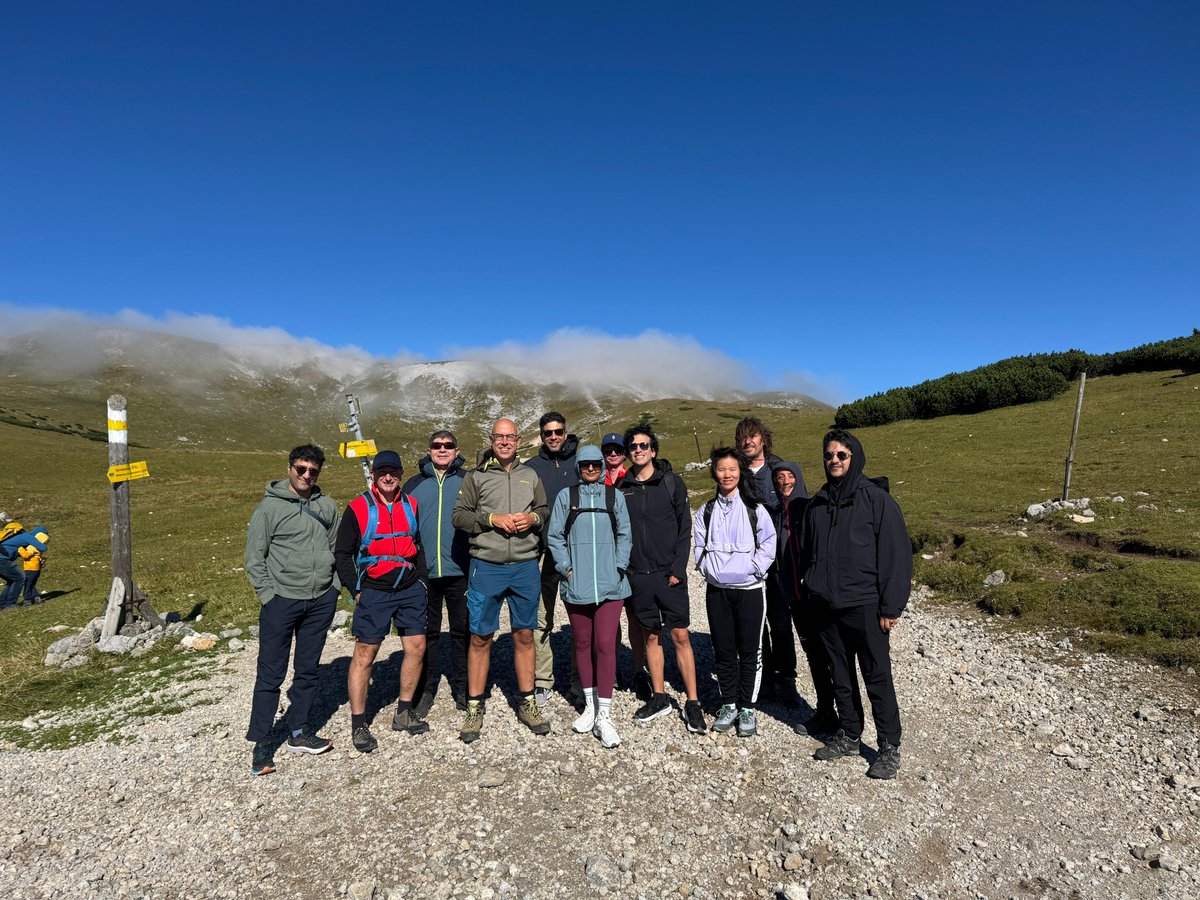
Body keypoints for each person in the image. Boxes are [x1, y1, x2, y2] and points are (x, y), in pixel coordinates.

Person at [800, 429, 911, 780]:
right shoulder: (818, 503)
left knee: (877, 675)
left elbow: (896, 555)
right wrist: (810, 588)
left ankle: (889, 746)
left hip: (864, 604)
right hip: (826, 606)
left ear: (854, 457)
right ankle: (849, 733)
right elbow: (807, 553)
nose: (834, 460)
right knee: (840, 675)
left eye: (841, 455)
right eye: (829, 455)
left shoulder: (875, 500)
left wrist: (890, 607)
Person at [451, 418, 551, 743]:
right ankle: (474, 706)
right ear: (491, 439)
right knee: (481, 637)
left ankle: (527, 702)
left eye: (510, 437)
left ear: (518, 440)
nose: (505, 442)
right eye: (499, 437)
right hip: (486, 565)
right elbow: (459, 516)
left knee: (524, 634)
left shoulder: (530, 475)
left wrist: (533, 518)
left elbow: (544, 510)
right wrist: (492, 519)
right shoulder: (475, 476)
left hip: (524, 566)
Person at [244, 444, 340, 776]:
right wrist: (269, 596)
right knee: (270, 675)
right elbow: (254, 558)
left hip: (320, 600)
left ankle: (299, 732)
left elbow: (337, 549)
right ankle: (262, 745)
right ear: (289, 468)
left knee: (308, 669)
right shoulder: (268, 509)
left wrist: (335, 588)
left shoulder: (326, 506)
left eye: (313, 471)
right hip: (281, 601)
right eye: (301, 469)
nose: (306, 476)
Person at [335, 450, 429, 754]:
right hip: (373, 590)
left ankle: (403, 711)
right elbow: (342, 553)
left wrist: (423, 581)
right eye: (382, 472)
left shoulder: (411, 504)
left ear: (400, 474)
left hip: (410, 587)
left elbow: (419, 545)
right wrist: (355, 589)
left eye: (393, 472)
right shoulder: (358, 507)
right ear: (374, 475)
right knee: (365, 653)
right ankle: (359, 723)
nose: (388, 477)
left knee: (416, 647)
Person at [618, 426, 706, 734]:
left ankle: (693, 701)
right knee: (651, 636)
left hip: (669, 576)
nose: (638, 450)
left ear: (654, 450)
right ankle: (659, 696)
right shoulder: (622, 487)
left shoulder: (671, 483)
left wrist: (677, 570)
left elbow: (685, 531)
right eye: (633, 446)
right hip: (638, 576)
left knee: (681, 636)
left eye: (644, 445)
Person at [546, 445, 632, 748]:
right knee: (582, 644)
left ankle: (604, 714)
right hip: (577, 585)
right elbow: (554, 536)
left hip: (611, 586)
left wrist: (619, 566)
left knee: (605, 644)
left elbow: (625, 534)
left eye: (596, 465)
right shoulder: (566, 497)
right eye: (586, 466)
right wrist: (565, 568)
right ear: (578, 468)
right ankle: (589, 705)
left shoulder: (614, 496)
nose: (592, 470)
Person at [694, 448, 776, 738]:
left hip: (750, 590)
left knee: (751, 650)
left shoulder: (755, 509)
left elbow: (768, 542)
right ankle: (728, 704)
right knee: (723, 649)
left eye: (732, 469)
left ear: (740, 472)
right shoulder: (706, 510)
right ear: (714, 472)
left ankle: (748, 708)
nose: (727, 475)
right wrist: (708, 569)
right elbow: (699, 546)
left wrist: (754, 570)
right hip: (717, 590)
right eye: (721, 469)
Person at [403, 431, 472, 715]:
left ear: (457, 450)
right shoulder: (414, 484)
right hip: (424, 572)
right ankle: (425, 689)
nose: (442, 450)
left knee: (462, 631)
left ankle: (463, 687)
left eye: (448, 446)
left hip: (461, 570)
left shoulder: (468, 480)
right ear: (429, 450)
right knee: (427, 633)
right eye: (436, 445)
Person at [522, 411, 582, 709]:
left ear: (566, 431)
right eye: (548, 433)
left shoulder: (581, 463)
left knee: (580, 618)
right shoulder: (531, 468)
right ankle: (543, 681)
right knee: (541, 618)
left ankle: (580, 678)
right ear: (541, 436)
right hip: (543, 551)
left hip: (576, 552)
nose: (554, 437)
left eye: (558, 431)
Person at [760, 461, 810, 706]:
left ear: (798, 478)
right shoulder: (773, 511)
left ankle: (787, 679)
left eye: (790, 476)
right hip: (774, 579)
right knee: (767, 627)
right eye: (779, 478)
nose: (785, 482)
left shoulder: (809, 509)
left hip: (800, 583)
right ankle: (767, 678)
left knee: (783, 629)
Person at [735, 417, 784, 515]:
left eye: (753, 436)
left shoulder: (778, 467)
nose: (748, 442)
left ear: (763, 440)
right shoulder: (733, 472)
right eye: (743, 437)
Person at [1, 525, 48, 608]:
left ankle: (2, 604)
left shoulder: (18, 538)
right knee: (20, 578)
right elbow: (43, 547)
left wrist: (37, 557)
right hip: (2, 560)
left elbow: (22, 553)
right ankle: (10, 604)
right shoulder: (27, 537)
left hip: (2, 560)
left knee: (11, 581)